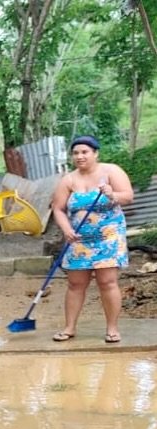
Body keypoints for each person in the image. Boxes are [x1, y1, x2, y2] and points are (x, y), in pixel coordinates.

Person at [50, 135, 134, 344]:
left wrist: (112, 194)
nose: (80, 156)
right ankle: (69, 327)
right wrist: (66, 229)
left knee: (107, 282)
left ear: (95, 153)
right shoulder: (68, 180)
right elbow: (58, 208)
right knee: (75, 283)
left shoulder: (111, 171)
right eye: (76, 153)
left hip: (108, 237)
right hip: (78, 238)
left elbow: (128, 196)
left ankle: (112, 329)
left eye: (84, 152)